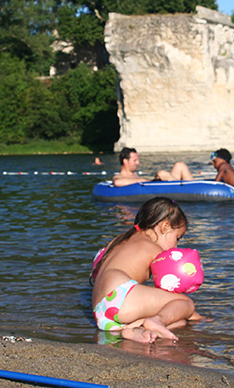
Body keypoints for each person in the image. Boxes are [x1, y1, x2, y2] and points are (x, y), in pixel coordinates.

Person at [90, 197, 202, 343]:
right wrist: (196, 316)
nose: (175, 247)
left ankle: (134, 330)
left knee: (178, 321)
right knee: (185, 303)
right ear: (165, 227)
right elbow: (171, 295)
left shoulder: (119, 240)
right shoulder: (154, 249)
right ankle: (156, 321)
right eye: (177, 238)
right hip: (119, 296)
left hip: (101, 312)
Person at [112, 147, 193, 187]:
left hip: (156, 183)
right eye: (135, 160)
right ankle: (189, 188)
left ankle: (194, 187)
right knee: (162, 173)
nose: (138, 163)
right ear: (125, 161)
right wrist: (142, 180)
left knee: (179, 165)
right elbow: (117, 182)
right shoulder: (120, 176)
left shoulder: (135, 175)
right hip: (154, 185)